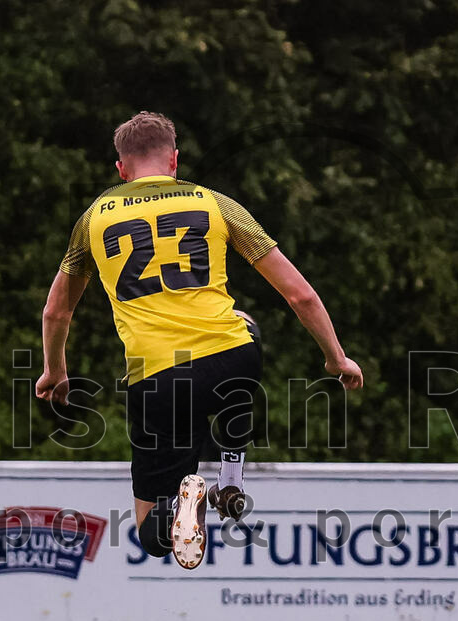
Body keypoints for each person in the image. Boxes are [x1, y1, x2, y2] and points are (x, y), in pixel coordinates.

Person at [36, 111, 363, 569]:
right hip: (230, 356)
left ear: (121, 169)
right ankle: (230, 473)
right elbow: (299, 294)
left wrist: (56, 370)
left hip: (157, 378)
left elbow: (57, 311)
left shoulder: (93, 220)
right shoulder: (215, 203)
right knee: (245, 330)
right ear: (174, 160)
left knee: (153, 537)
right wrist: (336, 358)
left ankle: (186, 499)